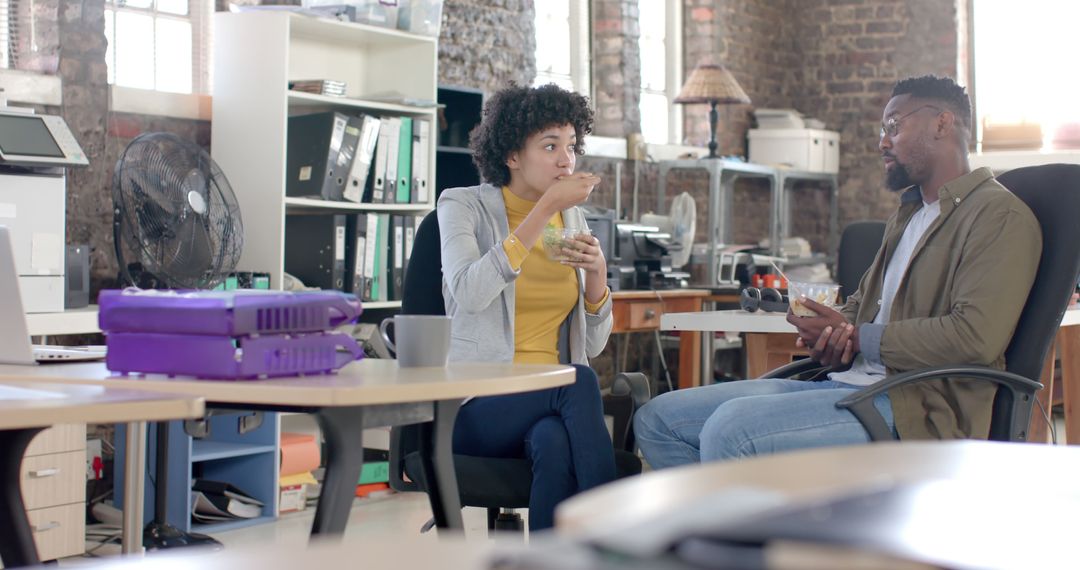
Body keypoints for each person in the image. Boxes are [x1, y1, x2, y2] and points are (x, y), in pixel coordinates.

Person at [634, 75, 1042, 469]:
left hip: (917, 407)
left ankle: (743, 533)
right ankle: (730, 528)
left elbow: (974, 338)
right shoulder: (910, 214)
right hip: (848, 383)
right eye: (882, 129)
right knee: (659, 419)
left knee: (731, 429)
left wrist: (860, 338)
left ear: (942, 123)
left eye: (894, 126)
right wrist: (834, 332)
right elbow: (860, 309)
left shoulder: (998, 216)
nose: (883, 141)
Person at [437, 83, 616, 530]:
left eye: (571, 146)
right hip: (474, 402)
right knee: (577, 382)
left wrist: (598, 277)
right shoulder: (462, 207)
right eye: (550, 146)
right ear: (512, 155)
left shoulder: (571, 220)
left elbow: (591, 343)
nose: (566, 160)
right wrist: (543, 210)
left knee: (553, 443)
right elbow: (470, 291)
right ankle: (619, 539)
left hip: (549, 405)